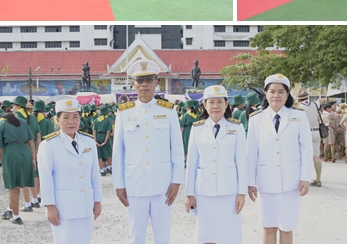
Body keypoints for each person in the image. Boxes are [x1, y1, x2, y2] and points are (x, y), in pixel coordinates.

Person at [112, 60, 184, 244]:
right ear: (133, 83)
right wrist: (118, 184)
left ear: (156, 82)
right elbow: (118, 152)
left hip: (163, 185)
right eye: (140, 80)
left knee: (162, 237)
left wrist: (176, 180)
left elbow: (177, 148)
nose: (144, 84)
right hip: (134, 185)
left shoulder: (168, 111)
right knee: (136, 237)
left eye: (149, 80)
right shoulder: (123, 112)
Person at [247, 74, 313, 244]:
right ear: (266, 93)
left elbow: (306, 149)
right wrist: (249, 181)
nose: (276, 95)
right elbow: (251, 152)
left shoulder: (299, 117)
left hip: (290, 182)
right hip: (266, 180)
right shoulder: (256, 119)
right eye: (272, 91)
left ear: (287, 95)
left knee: (286, 226)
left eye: (281, 92)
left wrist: (305, 177)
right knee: (268, 227)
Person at [184, 85, 247, 244]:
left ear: (227, 104)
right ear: (204, 105)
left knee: (230, 236)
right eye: (211, 102)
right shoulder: (197, 128)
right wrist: (189, 194)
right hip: (204, 192)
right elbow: (191, 163)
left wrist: (241, 193)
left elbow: (242, 162)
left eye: (220, 101)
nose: (216, 106)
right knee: (207, 235)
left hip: (229, 192)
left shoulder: (236, 127)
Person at [37, 98, 103, 243]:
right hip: (63, 207)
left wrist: (97, 200)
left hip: (85, 204)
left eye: (75, 117)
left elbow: (94, 174)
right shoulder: (48, 145)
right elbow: (46, 177)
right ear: (57, 120)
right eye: (66, 118)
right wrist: (49, 206)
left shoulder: (88, 141)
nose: (71, 122)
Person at [0, 106, 36, 225]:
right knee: (18, 185)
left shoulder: (0, 125)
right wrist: (33, 158)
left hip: (11, 154)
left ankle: (16, 217)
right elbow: (31, 140)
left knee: (13, 187)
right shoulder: (22, 121)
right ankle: (9, 210)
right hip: (25, 152)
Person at [92, 104, 114, 176]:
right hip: (104, 136)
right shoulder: (107, 120)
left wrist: (95, 140)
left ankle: (102, 170)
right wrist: (105, 141)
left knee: (99, 155)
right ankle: (109, 167)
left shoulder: (96, 120)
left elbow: (94, 131)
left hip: (98, 136)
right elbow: (108, 132)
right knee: (108, 153)